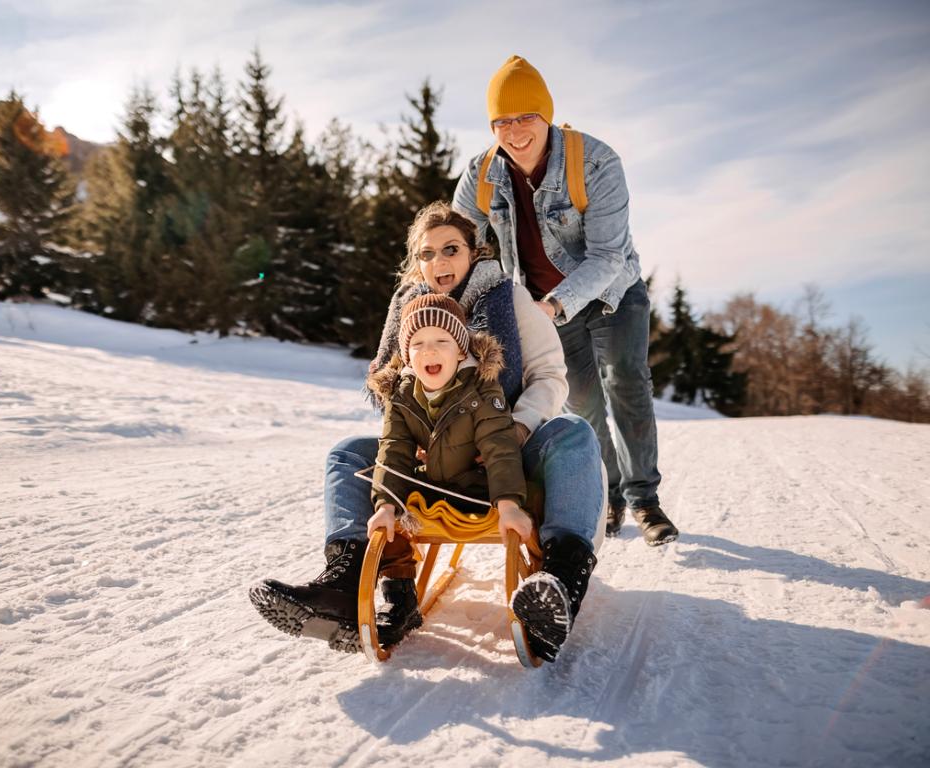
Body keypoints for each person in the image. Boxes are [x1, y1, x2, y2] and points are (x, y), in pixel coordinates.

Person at [250, 202, 606, 662]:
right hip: (433, 451)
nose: (438, 263)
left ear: (475, 253)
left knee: (573, 431)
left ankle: (558, 582)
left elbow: (551, 376)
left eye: (450, 250)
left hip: (508, 442)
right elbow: (395, 398)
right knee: (348, 454)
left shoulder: (508, 298)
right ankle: (345, 580)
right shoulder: (408, 310)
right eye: (426, 254)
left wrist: (518, 427)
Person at [452, 54, 678, 546]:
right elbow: (459, 241)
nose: (515, 132)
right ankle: (611, 495)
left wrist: (552, 306)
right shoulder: (483, 174)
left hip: (612, 293)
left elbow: (608, 256)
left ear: (546, 115)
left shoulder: (595, 162)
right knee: (582, 403)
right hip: (542, 304)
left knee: (626, 385)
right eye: (502, 121)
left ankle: (645, 499)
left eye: (525, 117)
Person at [365, 292, 534, 647]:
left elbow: (499, 447)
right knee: (382, 499)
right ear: (407, 354)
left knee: (537, 498)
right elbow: (394, 450)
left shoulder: (482, 388)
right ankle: (398, 590)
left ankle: (542, 586)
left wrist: (508, 504)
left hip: (479, 490)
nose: (429, 350)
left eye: (441, 340)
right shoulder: (402, 395)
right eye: (418, 343)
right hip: (432, 488)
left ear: (460, 349)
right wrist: (385, 505)